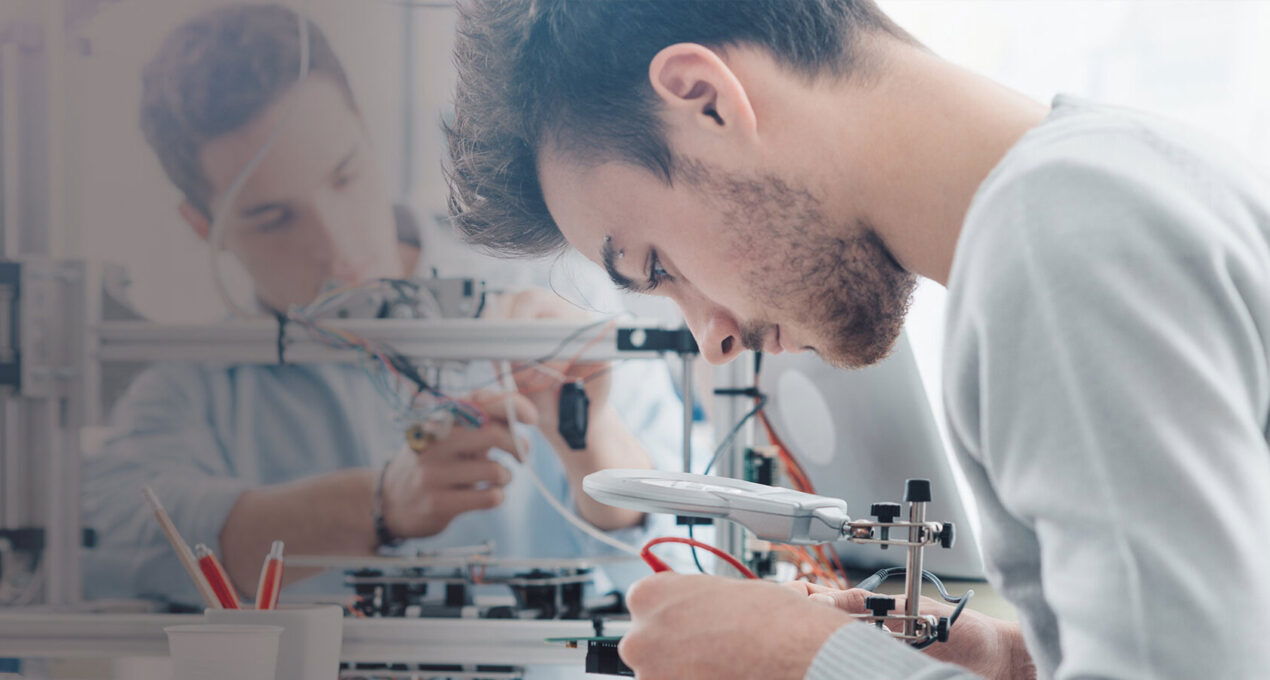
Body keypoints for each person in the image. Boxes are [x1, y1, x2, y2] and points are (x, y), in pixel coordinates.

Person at [445, 1, 1270, 678]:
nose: (713, 342)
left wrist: (815, 663)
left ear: (706, 100)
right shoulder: (1115, 176)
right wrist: (1012, 662)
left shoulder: (1058, 238)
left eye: (657, 265)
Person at [83, 2, 682, 608]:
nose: (338, 246)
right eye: (273, 218)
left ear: (368, 136)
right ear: (201, 225)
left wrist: (590, 436)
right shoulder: (194, 382)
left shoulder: (558, 289)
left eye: (344, 176)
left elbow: (697, 553)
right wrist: (378, 505)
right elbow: (114, 546)